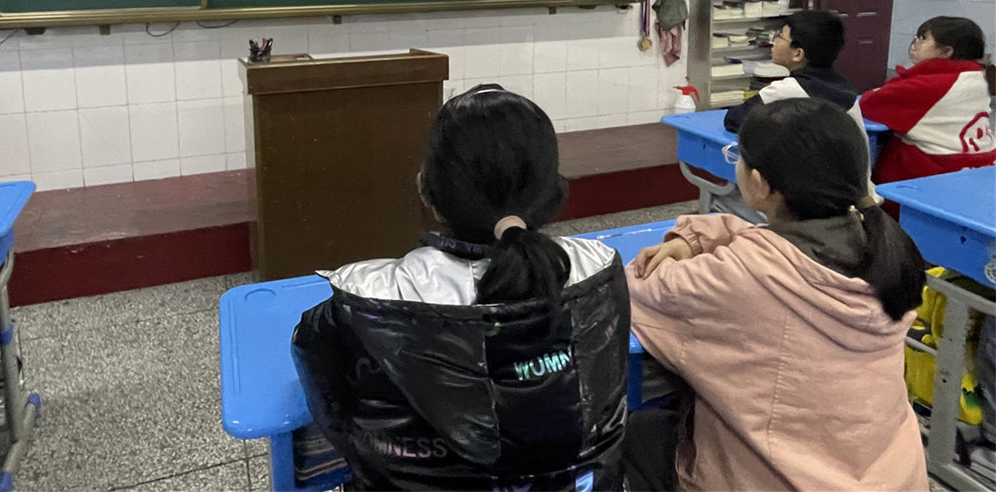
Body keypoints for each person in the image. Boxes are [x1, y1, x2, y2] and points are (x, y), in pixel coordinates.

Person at [292, 85, 630, 490]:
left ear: (427, 191)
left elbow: (335, 416)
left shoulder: (365, 303)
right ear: (553, 193)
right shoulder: (599, 271)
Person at [624, 98, 928, 491]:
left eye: (738, 156)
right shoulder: (884, 250)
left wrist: (691, 243)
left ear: (760, 183)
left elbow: (640, 287)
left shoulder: (744, 275)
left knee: (641, 431)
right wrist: (697, 237)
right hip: (890, 474)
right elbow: (767, 240)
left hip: (781, 480)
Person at [859, 15, 995, 183]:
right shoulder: (976, 75)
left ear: (946, 51)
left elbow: (869, 104)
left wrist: (880, 91)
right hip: (983, 164)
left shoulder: (927, 85)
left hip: (938, 170)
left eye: (923, 38)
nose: (915, 42)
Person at [723, 9, 861, 132]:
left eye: (779, 36)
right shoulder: (847, 89)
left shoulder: (788, 90)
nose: (773, 42)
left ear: (797, 54)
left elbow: (734, 119)